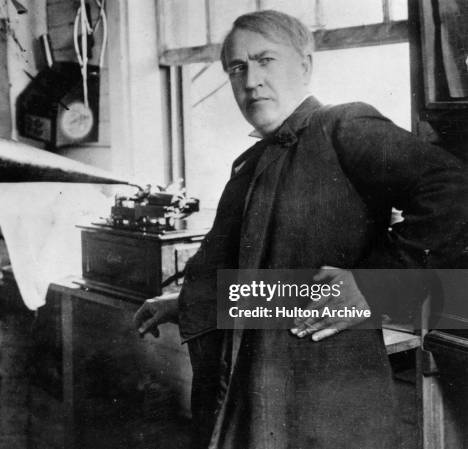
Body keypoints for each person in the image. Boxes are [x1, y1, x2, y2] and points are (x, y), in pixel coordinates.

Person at [133, 10, 468, 449]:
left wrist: (375, 286)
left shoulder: (343, 125)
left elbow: (455, 192)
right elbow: (275, 279)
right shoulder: (254, 162)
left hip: (324, 398)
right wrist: (191, 300)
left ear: (305, 65)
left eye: (265, 59)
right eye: (237, 67)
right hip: (256, 390)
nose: (250, 80)